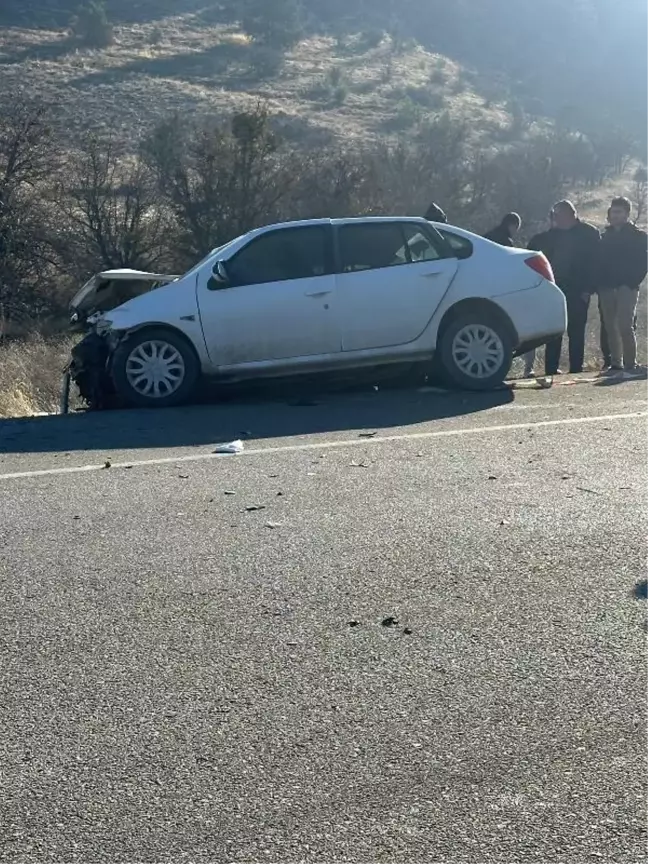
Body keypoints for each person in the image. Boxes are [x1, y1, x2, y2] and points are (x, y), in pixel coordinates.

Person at [543, 200, 600, 376]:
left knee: (576, 331)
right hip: (555, 288)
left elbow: (595, 264)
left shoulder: (589, 234)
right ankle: (551, 369)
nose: (556, 220)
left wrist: (588, 289)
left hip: (579, 289)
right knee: (554, 331)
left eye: (558, 216)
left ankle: (576, 369)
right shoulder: (552, 235)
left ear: (570, 215)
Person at [597, 196, 648, 375]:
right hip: (606, 287)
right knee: (610, 325)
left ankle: (630, 363)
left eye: (619, 212)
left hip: (627, 286)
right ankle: (616, 362)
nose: (615, 215)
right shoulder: (604, 237)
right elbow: (598, 262)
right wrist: (600, 283)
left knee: (625, 324)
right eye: (613, 211)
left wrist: (632, 281)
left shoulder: (639, 236)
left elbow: (643, 262)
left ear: (627, 214)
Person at [526, 214, 558, 377]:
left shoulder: (565, 239)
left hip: (555, 286)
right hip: (540, 287)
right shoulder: (538, 240)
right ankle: (529, 368)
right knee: (534, 329)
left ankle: (551, 366)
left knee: (553, 328)